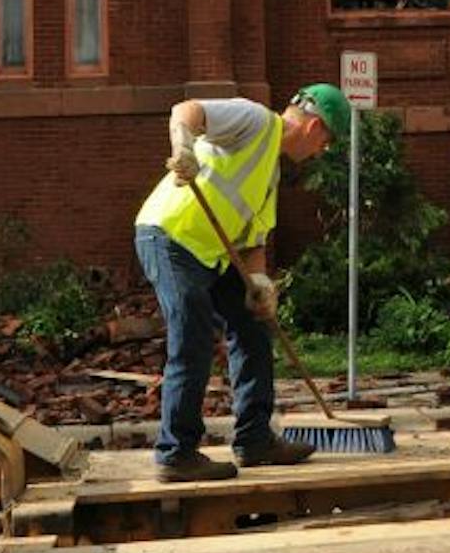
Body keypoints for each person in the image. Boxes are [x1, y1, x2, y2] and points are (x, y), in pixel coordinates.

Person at [135, 83, 351, 483]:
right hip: (169, 237)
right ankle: (176, 452)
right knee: (194, 333)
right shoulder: (253, 120)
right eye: (327, 142)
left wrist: (259, 282)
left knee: (253, 326)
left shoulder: (269, 174)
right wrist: (183, 146)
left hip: (211, 254)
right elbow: (187, 110)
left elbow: (252, 242)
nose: (323, 152)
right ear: (315, 127)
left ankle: (254, 439)